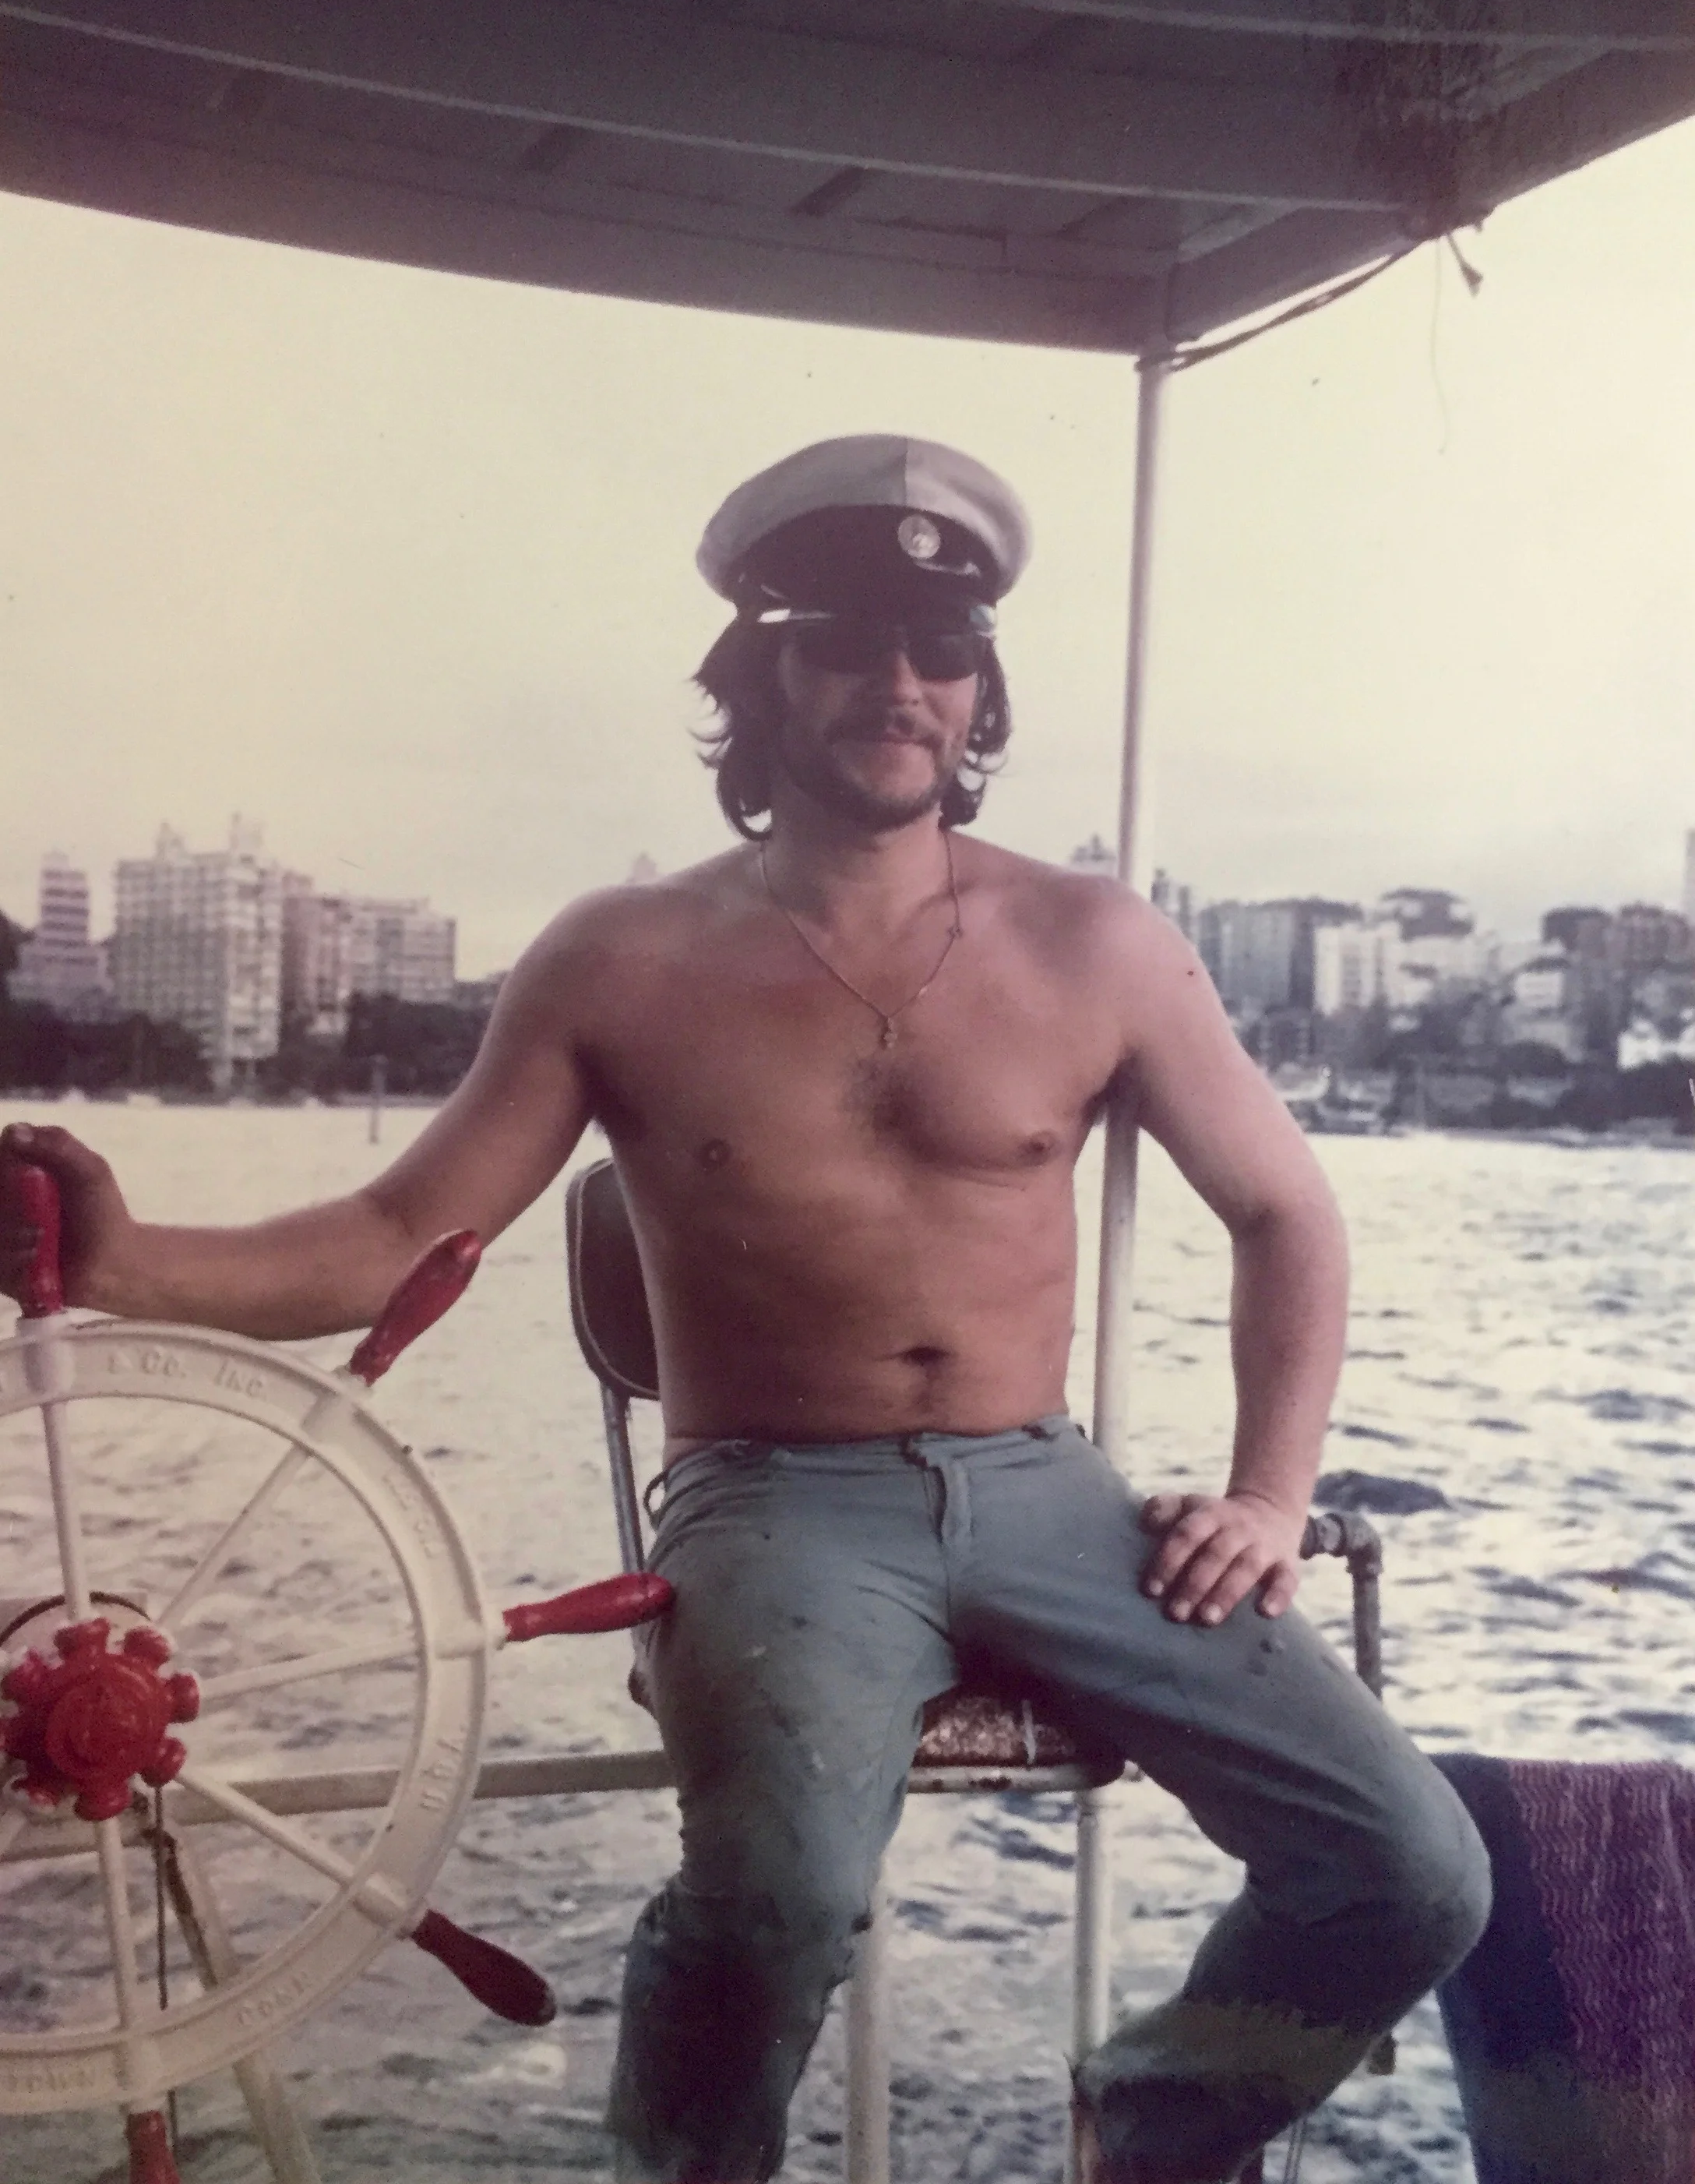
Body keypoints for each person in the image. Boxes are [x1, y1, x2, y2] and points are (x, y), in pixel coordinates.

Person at [0, 434, 1489, 2184]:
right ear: (761, 674)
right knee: (777, 1900)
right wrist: (125, 1263)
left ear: (980, 689)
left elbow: (1284, 1212)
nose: (900, 683)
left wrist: (1266, 1492)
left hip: (1047, 1485)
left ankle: (1155, 2126)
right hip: (776, 1504)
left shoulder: (1097, 942)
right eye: (847, 639)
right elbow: (399, 1230)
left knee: (1411, 1871)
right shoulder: (620, 957)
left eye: (943, 647)